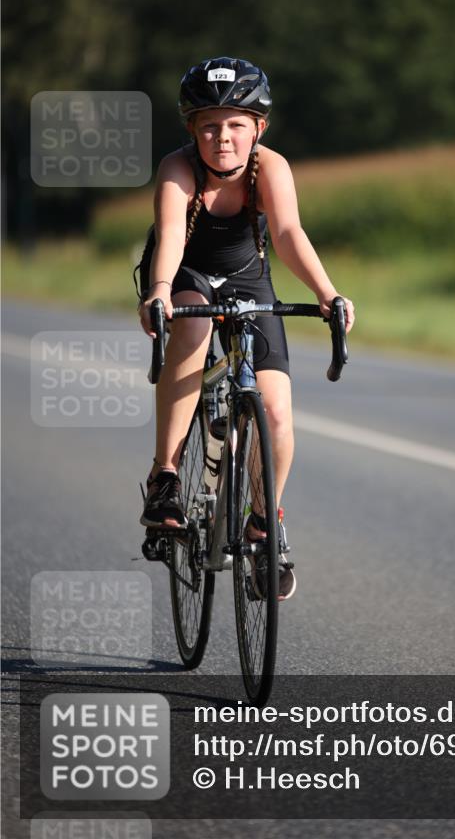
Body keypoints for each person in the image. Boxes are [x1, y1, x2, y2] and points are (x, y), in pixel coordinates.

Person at [137, 57, 355, 600]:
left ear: (258, 128)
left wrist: (326, 293)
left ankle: (263, 521)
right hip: (183, 273)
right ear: (192, 129)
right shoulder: (177, 168)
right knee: (193, 329)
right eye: (209, 124)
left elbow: (287, 233)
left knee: (276, 410)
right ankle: (166, 476)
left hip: (247, 281)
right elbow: (169, 236)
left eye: (236, 124)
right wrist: (160, 292)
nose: (222, 137)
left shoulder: (271, 168)